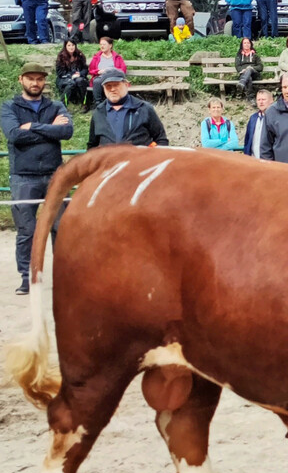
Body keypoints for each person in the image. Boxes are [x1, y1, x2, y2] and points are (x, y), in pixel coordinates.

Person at [1, 62, 73, 295]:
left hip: (55, 176)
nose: (35, 83)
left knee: (61, 228)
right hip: (23, 177)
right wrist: (48, 129)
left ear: (44, 81)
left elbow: (66, 132)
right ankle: (27, 278)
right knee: (26, 230)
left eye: (39, 79)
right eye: (31, 78)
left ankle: (64, 277)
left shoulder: (55, 105)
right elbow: (14, 135)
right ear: (21, 79)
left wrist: (32, 127)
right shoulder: (9, 107)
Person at [87, 68, 168, 148]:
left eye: (116, 85)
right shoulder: (99, 112)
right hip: (109, 160)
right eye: (108, 86)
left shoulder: (144, 108)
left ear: (126, 85)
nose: (112, 89)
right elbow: (92, 145)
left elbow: (161, 140)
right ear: (103, 89)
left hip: (138, 159)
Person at [88, 36, 127, 105]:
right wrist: (98, 71)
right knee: (97, 81)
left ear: (110, 45)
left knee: (106, 80)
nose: (102, 46)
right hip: (100, 76)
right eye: (101, 44)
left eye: (104, 44)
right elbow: (91, 70)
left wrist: (111, 71)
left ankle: (113, 102)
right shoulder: (96, 57)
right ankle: (98, 103)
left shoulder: (117, 57)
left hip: (113, 76)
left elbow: (123, 70)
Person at [55, 40, 90, 110]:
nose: (71, 47)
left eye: (73, 45)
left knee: (80, 81)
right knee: (71, 83)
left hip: (78, 77)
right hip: (64, 78)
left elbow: (85, 69)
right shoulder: (61, 57)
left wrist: (80, 74)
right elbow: (60, 73)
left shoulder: (80, 55)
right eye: (69, 45)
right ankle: (63, 106)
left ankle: (85, 103)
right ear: (65, 46)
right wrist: (71, 75)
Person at [243, 89, 274, 158]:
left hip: (270, 160)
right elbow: (247, 140)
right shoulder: (253, 118)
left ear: (271, 101)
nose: (261, 102)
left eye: (263, 99)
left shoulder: (275, 118)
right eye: (258, 100)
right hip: (253, 160)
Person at [235, 37, 263, 103]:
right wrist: (244, 70)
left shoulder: (255, 55)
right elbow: (237, 67)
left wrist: (251, 68)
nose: (246, 44)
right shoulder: (239, 55)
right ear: (242, 45)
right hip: (244, 74)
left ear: (250, 44)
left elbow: (260, 67)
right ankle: (251, 98)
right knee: (248, 78)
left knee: (249, 69)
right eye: (245, 43)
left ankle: (242, 83)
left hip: (255, 74)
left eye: (248, 43)